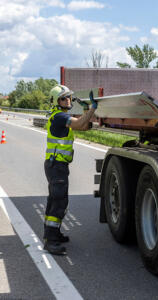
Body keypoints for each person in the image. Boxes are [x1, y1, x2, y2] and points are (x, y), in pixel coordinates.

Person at [43, 84, 98, 255]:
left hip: (56, 165)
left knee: (55, 200)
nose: (68, 100)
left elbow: (81, 126)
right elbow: (81, 123)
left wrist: (87, 113)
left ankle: (53, 234)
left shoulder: (61, 116)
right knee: (59, 202)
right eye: (64, 98)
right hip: (56, 166)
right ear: (56, 101)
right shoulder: (59, 116)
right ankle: (51, 241)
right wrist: (91, 109)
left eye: (69, 97)